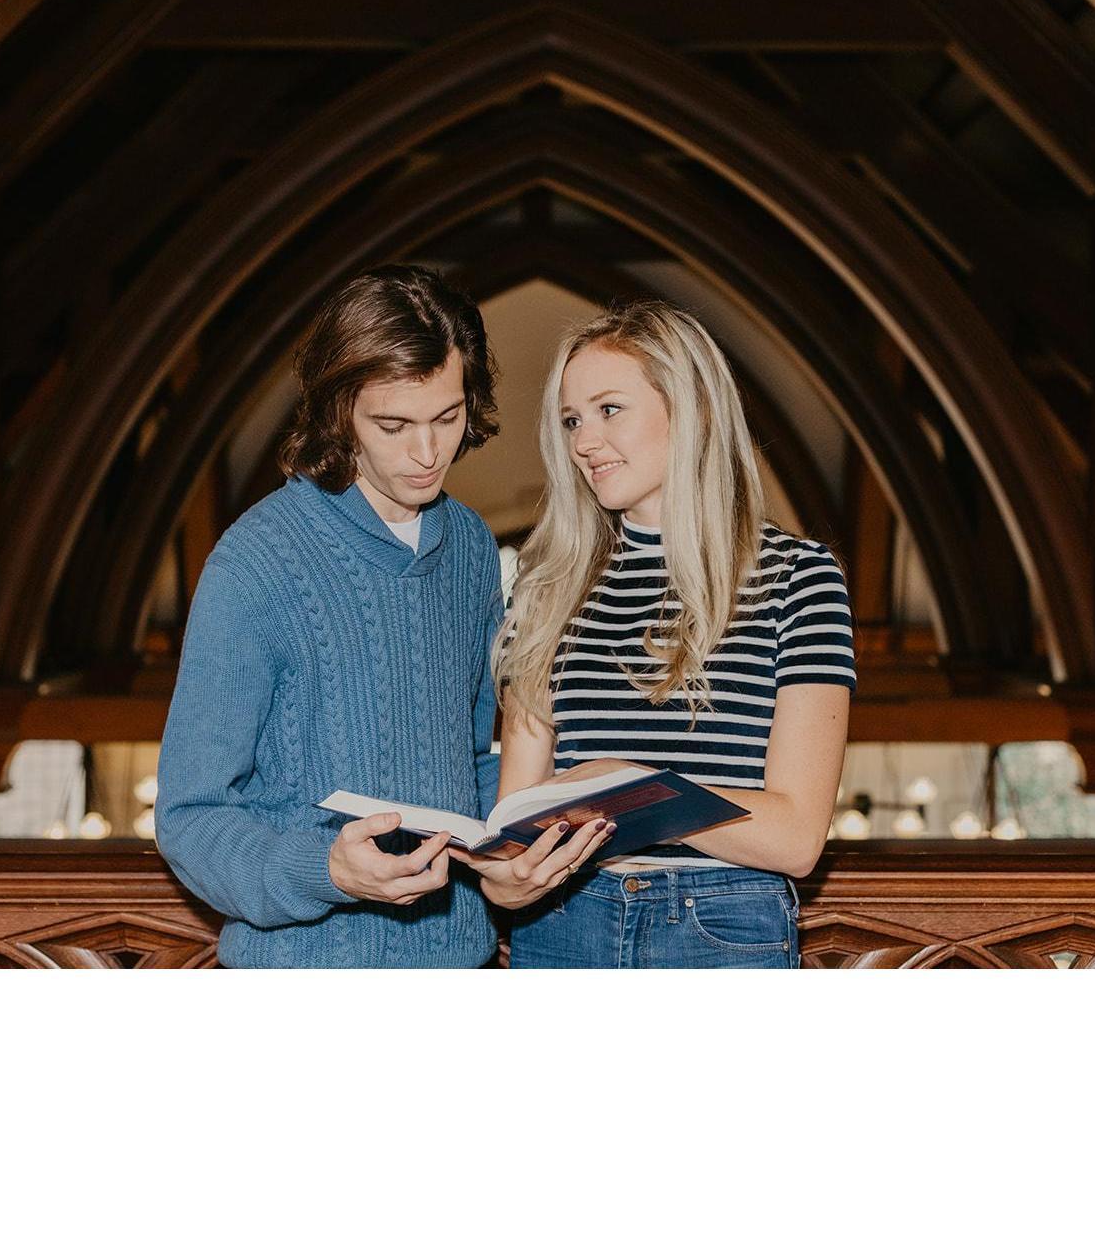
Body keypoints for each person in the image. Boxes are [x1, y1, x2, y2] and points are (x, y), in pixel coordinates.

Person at [155, 263, 601, 967]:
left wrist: (520, 833)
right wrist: (326, 869)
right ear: (340, 412)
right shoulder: (253, 563)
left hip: (461, 963)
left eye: (447, 418)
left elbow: (464, 764)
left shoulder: (472, 549)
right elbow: (189, 818)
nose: (427, 453)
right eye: (393, 425)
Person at [460, 299, 855, 968]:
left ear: (692, 408)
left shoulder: (799, 578)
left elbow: (795, 838)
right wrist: (503, 877)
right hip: (564, 923)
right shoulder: (546, 587)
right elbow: (516, 827)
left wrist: (633, 782)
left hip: (722, 926)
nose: (584, 441)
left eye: (609, 409)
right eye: (571, 419)